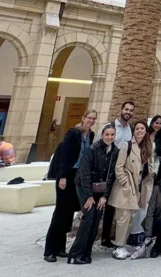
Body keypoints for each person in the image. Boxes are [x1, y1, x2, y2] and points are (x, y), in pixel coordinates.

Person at [44, 109, 97, 261]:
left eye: (94, 118)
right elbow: (64, 155)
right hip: (66, 175)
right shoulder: (73, 133)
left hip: (77, 176)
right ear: (83, 118)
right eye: (89, 118)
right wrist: (62, 176)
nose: (91, 121)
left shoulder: (91, 135)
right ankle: (49, 250)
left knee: (68, 213)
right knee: (60, 212)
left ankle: (60, 248)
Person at [67, 124, 117, 264]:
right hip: (85, 187)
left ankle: (86, 252)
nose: (109, 137)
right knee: (88, 218)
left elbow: (111, 176)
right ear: (102, 135)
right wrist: (88, 196)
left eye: (112, 135)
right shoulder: (93, 149)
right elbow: (85, 173)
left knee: (96, 219)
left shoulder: (114, 151)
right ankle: (75, 253)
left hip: (100, 190)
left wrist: (104, 196)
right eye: (107, 134)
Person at [110, 120, 153, 259]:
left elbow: (147, 166)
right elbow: (119, 166)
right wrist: (125, 182)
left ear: (146, 131)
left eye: (142, 128)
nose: (139, 131)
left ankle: (122, 244)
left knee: (130, 218)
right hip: (127, 187)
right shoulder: (127, 145)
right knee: (123, 217)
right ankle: (118, 246)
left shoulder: (147, 147)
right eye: (137, 128)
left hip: (139, 187)